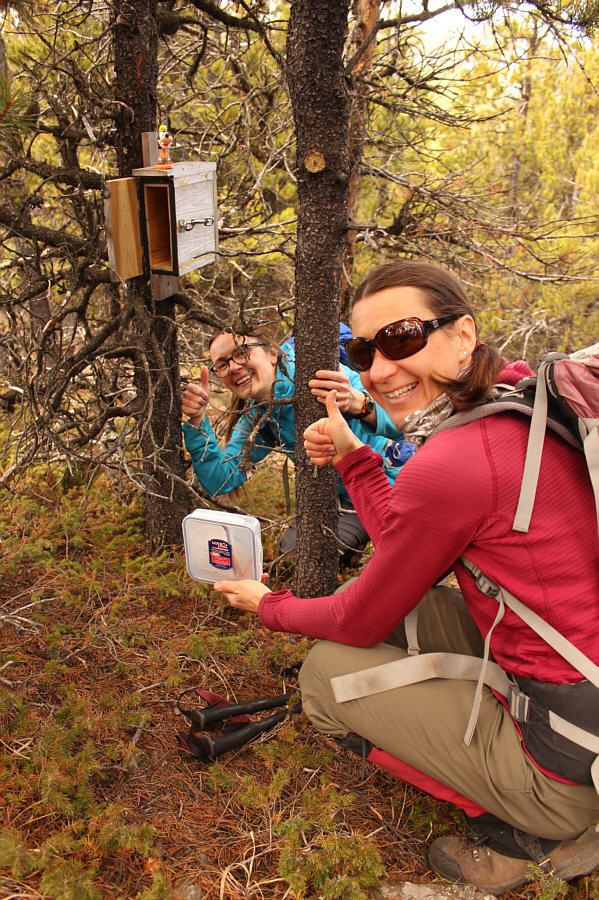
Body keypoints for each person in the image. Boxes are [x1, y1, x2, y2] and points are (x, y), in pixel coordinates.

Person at [213, 261, 599, 896]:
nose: (379, 369)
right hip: (579, 677)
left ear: (464, 332)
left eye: (403, 337)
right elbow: (405, 547)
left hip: (570, 757)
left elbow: (356, 617)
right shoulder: (522, 393)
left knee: (322, 677)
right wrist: (356, 458)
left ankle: (529, 830)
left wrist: (267, 604)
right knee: (404, 612)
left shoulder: (455, 457)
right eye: (364, 349)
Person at [181, 329, 414, 559]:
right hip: (346, 499)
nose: (232, 367)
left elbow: (405, 424)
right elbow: (221, 479)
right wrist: (198, 420)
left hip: (399, 481)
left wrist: (358, 403)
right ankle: (351, 554)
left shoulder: (320, 369)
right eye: (221, 364)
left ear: (273, 353)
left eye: (241, 353)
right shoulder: (259, 417)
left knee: (414, 566)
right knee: (296, 556)